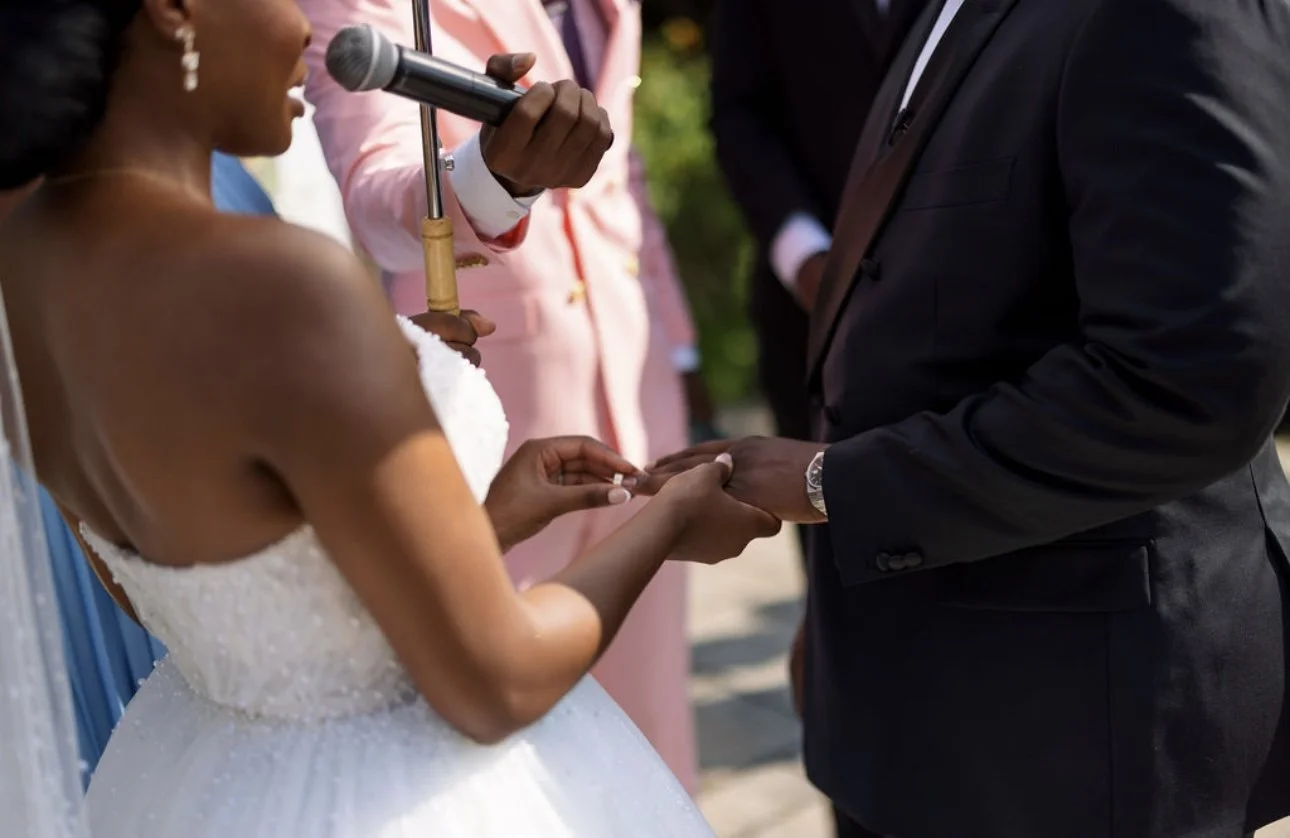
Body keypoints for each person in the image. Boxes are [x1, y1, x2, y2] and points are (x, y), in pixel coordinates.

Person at [0, 2, 781, 837]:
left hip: (200, 789)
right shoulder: (290, 289)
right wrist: (668, 519)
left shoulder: (23, 277)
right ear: (172, 10)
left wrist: (479, 524)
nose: (306, 27)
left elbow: (198, 600)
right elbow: (497, 684)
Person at [651, 0, 1290, 836]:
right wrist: (847, 620)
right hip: (923, 684)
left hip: (1082, 725)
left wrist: (828, 484)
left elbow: (1187, 382)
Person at [299, 0, 705, 787]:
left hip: (640, 387)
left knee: (653, 738)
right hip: (489, 422)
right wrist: (498, 176)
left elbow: (623, 172)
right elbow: (376, 192)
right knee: (505, 755)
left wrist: (674, 338)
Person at [708, 0, 925, 564]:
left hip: (975, 303)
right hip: (809, 318)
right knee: (834, 565)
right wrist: (807, 259)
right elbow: (739, 111)